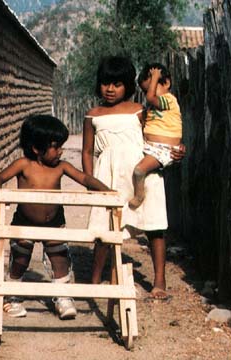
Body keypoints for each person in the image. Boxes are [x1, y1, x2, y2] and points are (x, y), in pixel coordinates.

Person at [82, 55, 184, 300]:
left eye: (117, 84)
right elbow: (87, 151)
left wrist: (176, 150)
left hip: (142, 172)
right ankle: (95, 281)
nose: (110, 89)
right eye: (106, 83)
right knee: (105, 228)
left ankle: (159, 281)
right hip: (109, 175)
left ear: (128, 85)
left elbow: (159, 134)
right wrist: (89, 181)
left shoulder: (140, 111)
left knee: (154, 225)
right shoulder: (93, 115)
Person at [0, 114, 111, 319]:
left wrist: (107, 191)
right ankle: (12, 295)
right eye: (55, 147)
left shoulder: (61, 166)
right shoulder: (23, 165)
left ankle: (62, 296)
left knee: (59, 258)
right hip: (25, 221)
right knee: (20, 258)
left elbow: (84, 178)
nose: (60, 151)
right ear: (37, 149)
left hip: (54, 222)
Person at [129, 63, 182, 209]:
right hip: (153, 147)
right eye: (147, 90)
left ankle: (139, 196)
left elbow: (151, 98)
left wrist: (155, 77)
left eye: (152, 87)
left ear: (166, 83)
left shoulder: (168, 99)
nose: (149, 94)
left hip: (163, 149)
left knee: (139, 170)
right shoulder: (155, 106)